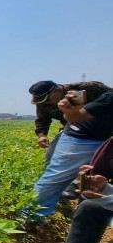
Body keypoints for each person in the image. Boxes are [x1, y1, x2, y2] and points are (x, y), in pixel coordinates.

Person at [24, 88, 113, 219]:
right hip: (81, 136)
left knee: (96, 178)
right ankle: (30, 216)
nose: (47, 102)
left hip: (104, 136)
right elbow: (76, 116)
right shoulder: (105, 95)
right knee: (56, 177)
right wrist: (69, 111)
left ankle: (78, 190)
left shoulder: (95, 87)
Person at [29, 80, 110, 164]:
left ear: (57, 90)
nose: (45, 103)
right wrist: (42, 135)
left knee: (103, 157)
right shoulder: (43, 102)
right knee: (52, 154)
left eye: (47, 100)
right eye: (42, 102)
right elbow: (42, 119)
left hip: (105, 128)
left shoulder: (90, 87)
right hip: (73, 129)